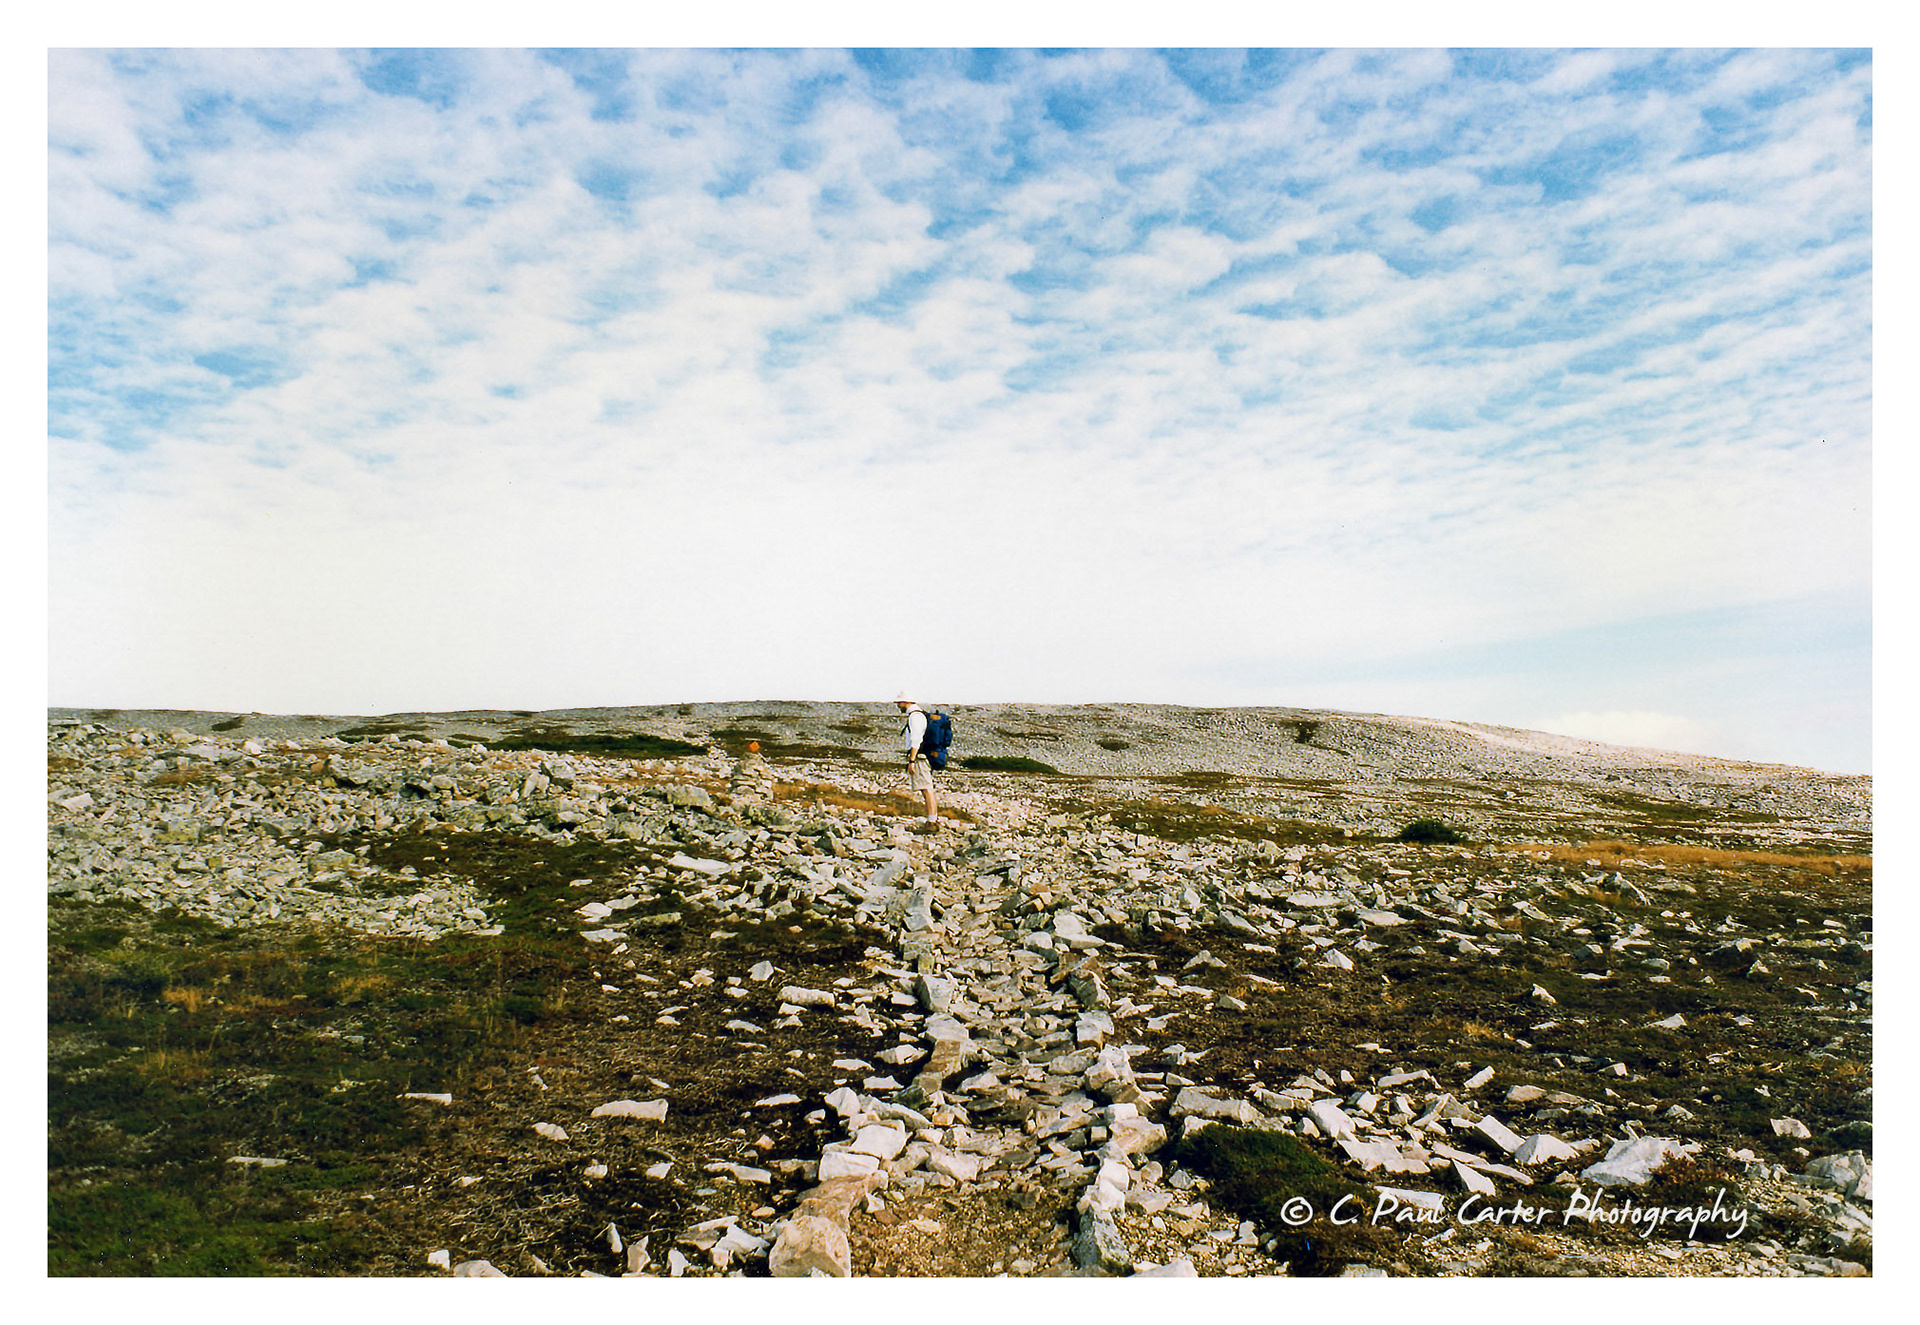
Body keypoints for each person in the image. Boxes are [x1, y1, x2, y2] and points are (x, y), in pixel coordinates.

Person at [894, 689, 939, 832]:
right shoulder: (918, 715)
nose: (898, 706)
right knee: (927, 788)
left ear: (906, 702)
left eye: (899, 703)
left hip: (920, 757)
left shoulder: (915, 716)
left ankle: (932, 823)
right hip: (923, 756)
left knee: (926, 789)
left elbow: (916, 739)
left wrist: (912, 760)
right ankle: (933, 820)